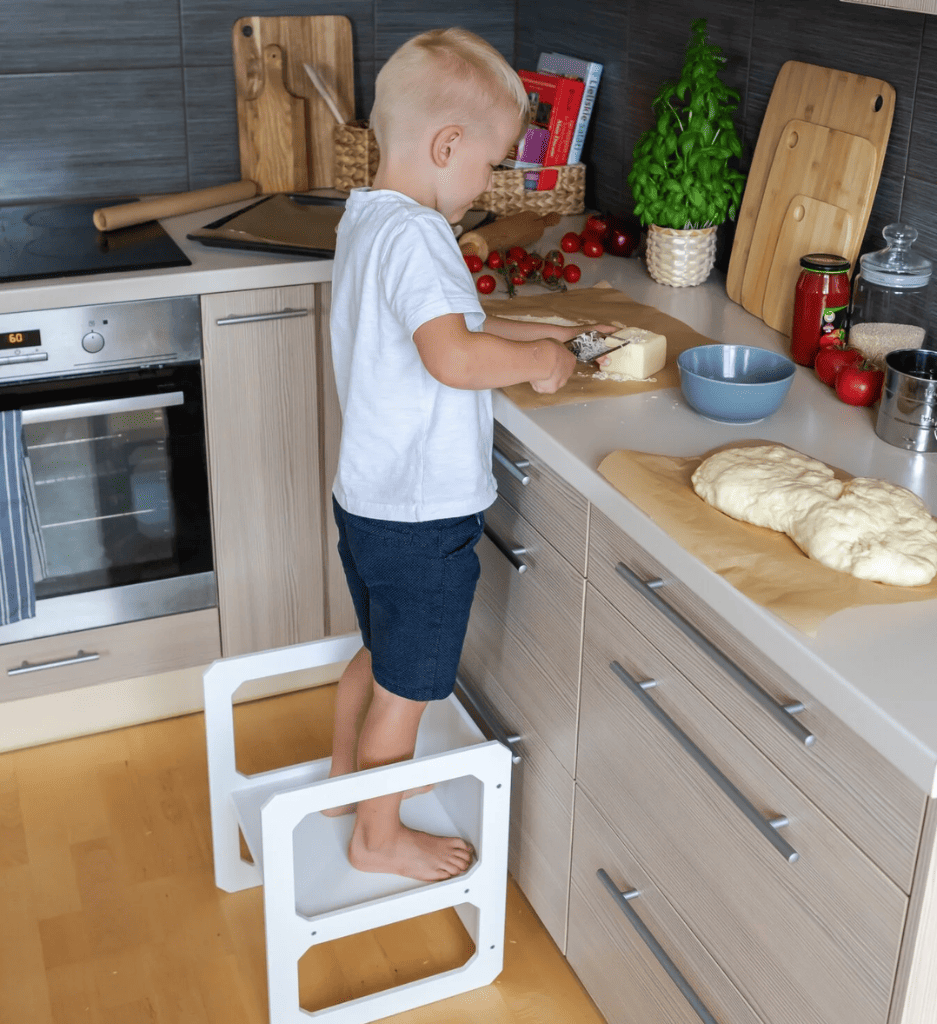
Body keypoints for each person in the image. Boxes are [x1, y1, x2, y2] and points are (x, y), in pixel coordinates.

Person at [325, 27, 600, 883]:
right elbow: (456, 357)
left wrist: (545, 329)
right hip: (422, 518)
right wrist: (542, 364)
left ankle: (342, 782)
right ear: (447, 146)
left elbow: (447, 329)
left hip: (371, 502)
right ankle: (378, 835)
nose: (490, 185)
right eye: (490, 165)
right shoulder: (423, 237)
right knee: (408, 691)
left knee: (377, 653)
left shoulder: (370, 218)